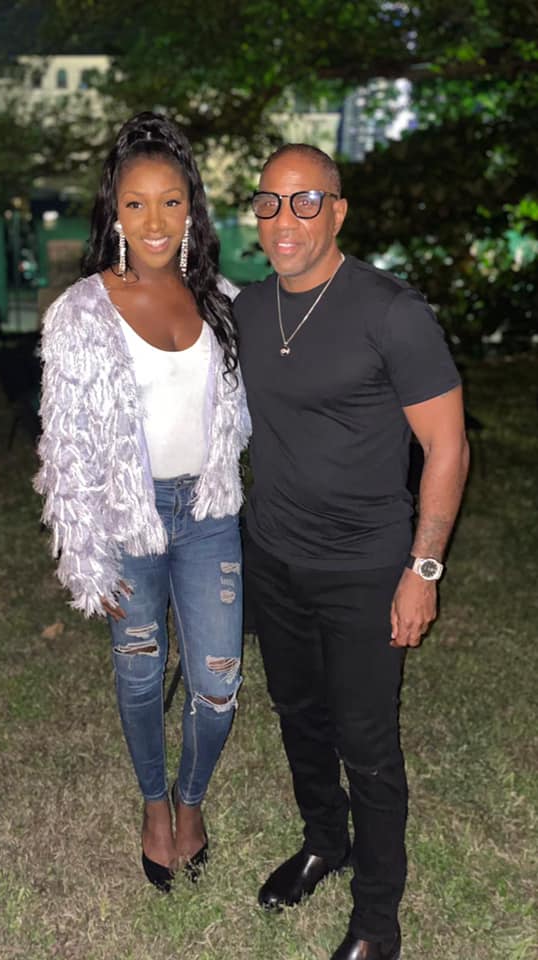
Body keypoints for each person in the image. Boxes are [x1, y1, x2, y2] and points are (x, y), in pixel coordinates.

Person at [235, 144, 469, 960]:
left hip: (366, 568)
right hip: (273, 555)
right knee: (299, 714)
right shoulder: (248, 308)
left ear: (337, 211)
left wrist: (422, 570)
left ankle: (377, 922)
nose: (285, 220)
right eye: (270, 202)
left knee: (367, 745)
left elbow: (447, 447)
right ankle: (322, 842)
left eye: (306, 201)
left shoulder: (391, 312)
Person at [35, 112, 250, 893]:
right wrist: (85, 556)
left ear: (191, 208)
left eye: (170, 201)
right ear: (115, 212)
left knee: (218, 684)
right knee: (138, 672)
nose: (154, 220)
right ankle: (156, 808)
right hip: (128, 517)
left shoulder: (222, 301)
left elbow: (248, 415)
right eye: (136, 203)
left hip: (209, 511)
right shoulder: (81, 312)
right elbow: (64, 448)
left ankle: (192, 801)